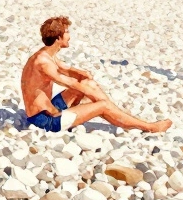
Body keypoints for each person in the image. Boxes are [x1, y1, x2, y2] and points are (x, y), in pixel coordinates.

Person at [21, 16, 171, 133]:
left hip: (51, 108)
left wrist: (84, 75)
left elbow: (66, 69)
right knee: (102, 104)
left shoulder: (46, 55)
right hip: (45, 120)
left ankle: (118, 114)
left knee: (89, 84)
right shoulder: (43, 62)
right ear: (58, 38)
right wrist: (90, 92)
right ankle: (149, 127)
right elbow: (68, 82)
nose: (69, 35)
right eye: (67, 32)